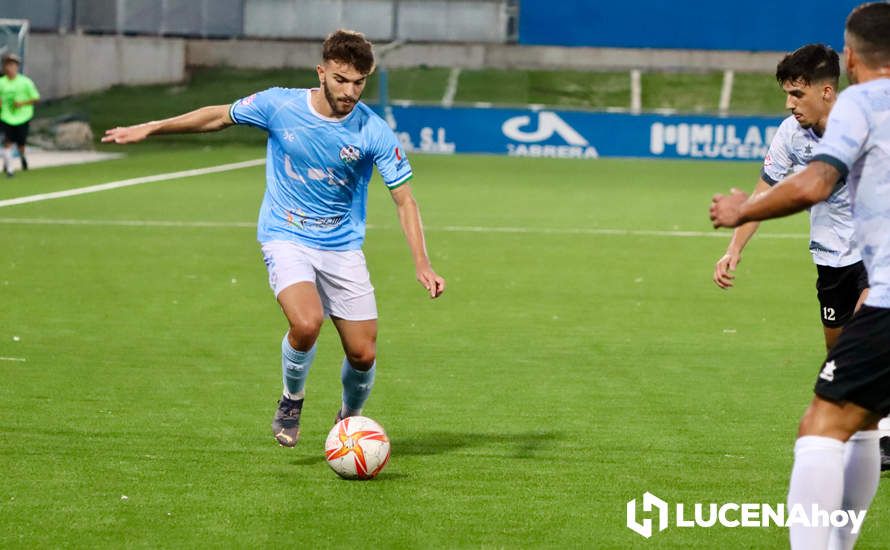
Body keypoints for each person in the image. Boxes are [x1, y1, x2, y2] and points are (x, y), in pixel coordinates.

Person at [102, 29, 446, 448]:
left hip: (341, 247)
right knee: (306, 322)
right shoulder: (279, 104)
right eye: (341, 80)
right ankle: (291, 398)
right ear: (321, 73)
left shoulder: (373, 131)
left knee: (363, 354)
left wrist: (422, 262)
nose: (351, 91)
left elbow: (405, 201)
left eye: (359, 82)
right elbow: (218, 115)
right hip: (285, 235)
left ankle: (348, 425)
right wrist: (153, 127)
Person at [710, 3, 890, 548]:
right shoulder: (795, 131)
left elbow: (812, 185)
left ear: (851, 59)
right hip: (839, 263)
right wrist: (735, 249)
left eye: (796, 93)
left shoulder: (862, 103)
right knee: (852, 411)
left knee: (820, 427)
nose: (790, 104)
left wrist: (742, 211)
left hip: (880, 278)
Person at [0, 53, 40, 177]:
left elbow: (36, 98)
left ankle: (22, 158)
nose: (9, 68)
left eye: (12, 65)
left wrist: (22, 103)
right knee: (7, 142)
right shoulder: (1, 82)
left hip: (23, 117)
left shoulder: (25, 82)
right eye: (7, 64)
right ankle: (9, 168)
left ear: (17, 67)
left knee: (21, 144)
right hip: (6, 117)